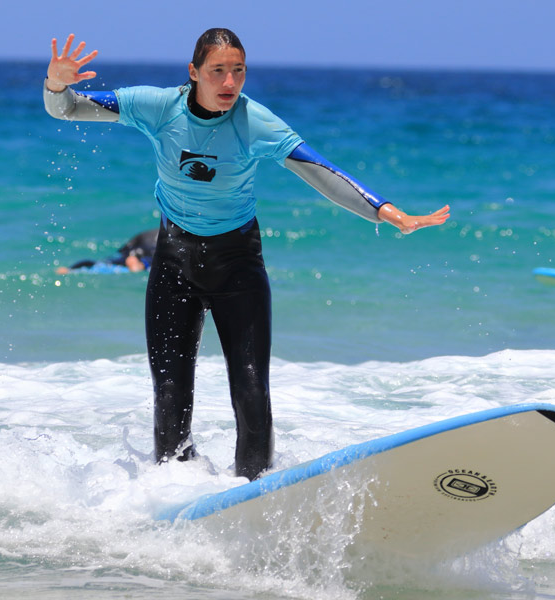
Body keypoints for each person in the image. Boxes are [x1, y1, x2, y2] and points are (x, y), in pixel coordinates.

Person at [43, 30, 449, 480]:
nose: (229, 82)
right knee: (170, 391)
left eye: (238, 71)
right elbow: (66, 109)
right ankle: (173, 489)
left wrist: (390, 214)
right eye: (218, 70)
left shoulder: (256, 122)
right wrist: (56, 85)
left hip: (237, 264)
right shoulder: (156, 107)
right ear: (194, 72)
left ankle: (256, 488)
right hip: (174, 261)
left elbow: (324, 173)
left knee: (251, 388)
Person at [55, 228, 159, 274]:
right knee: (153, 262)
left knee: (102, 263)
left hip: (130, 252)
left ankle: (69, 269)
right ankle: (137, 263)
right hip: (144, 255)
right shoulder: (168, 235)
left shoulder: (149, 233)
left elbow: (123, 249)